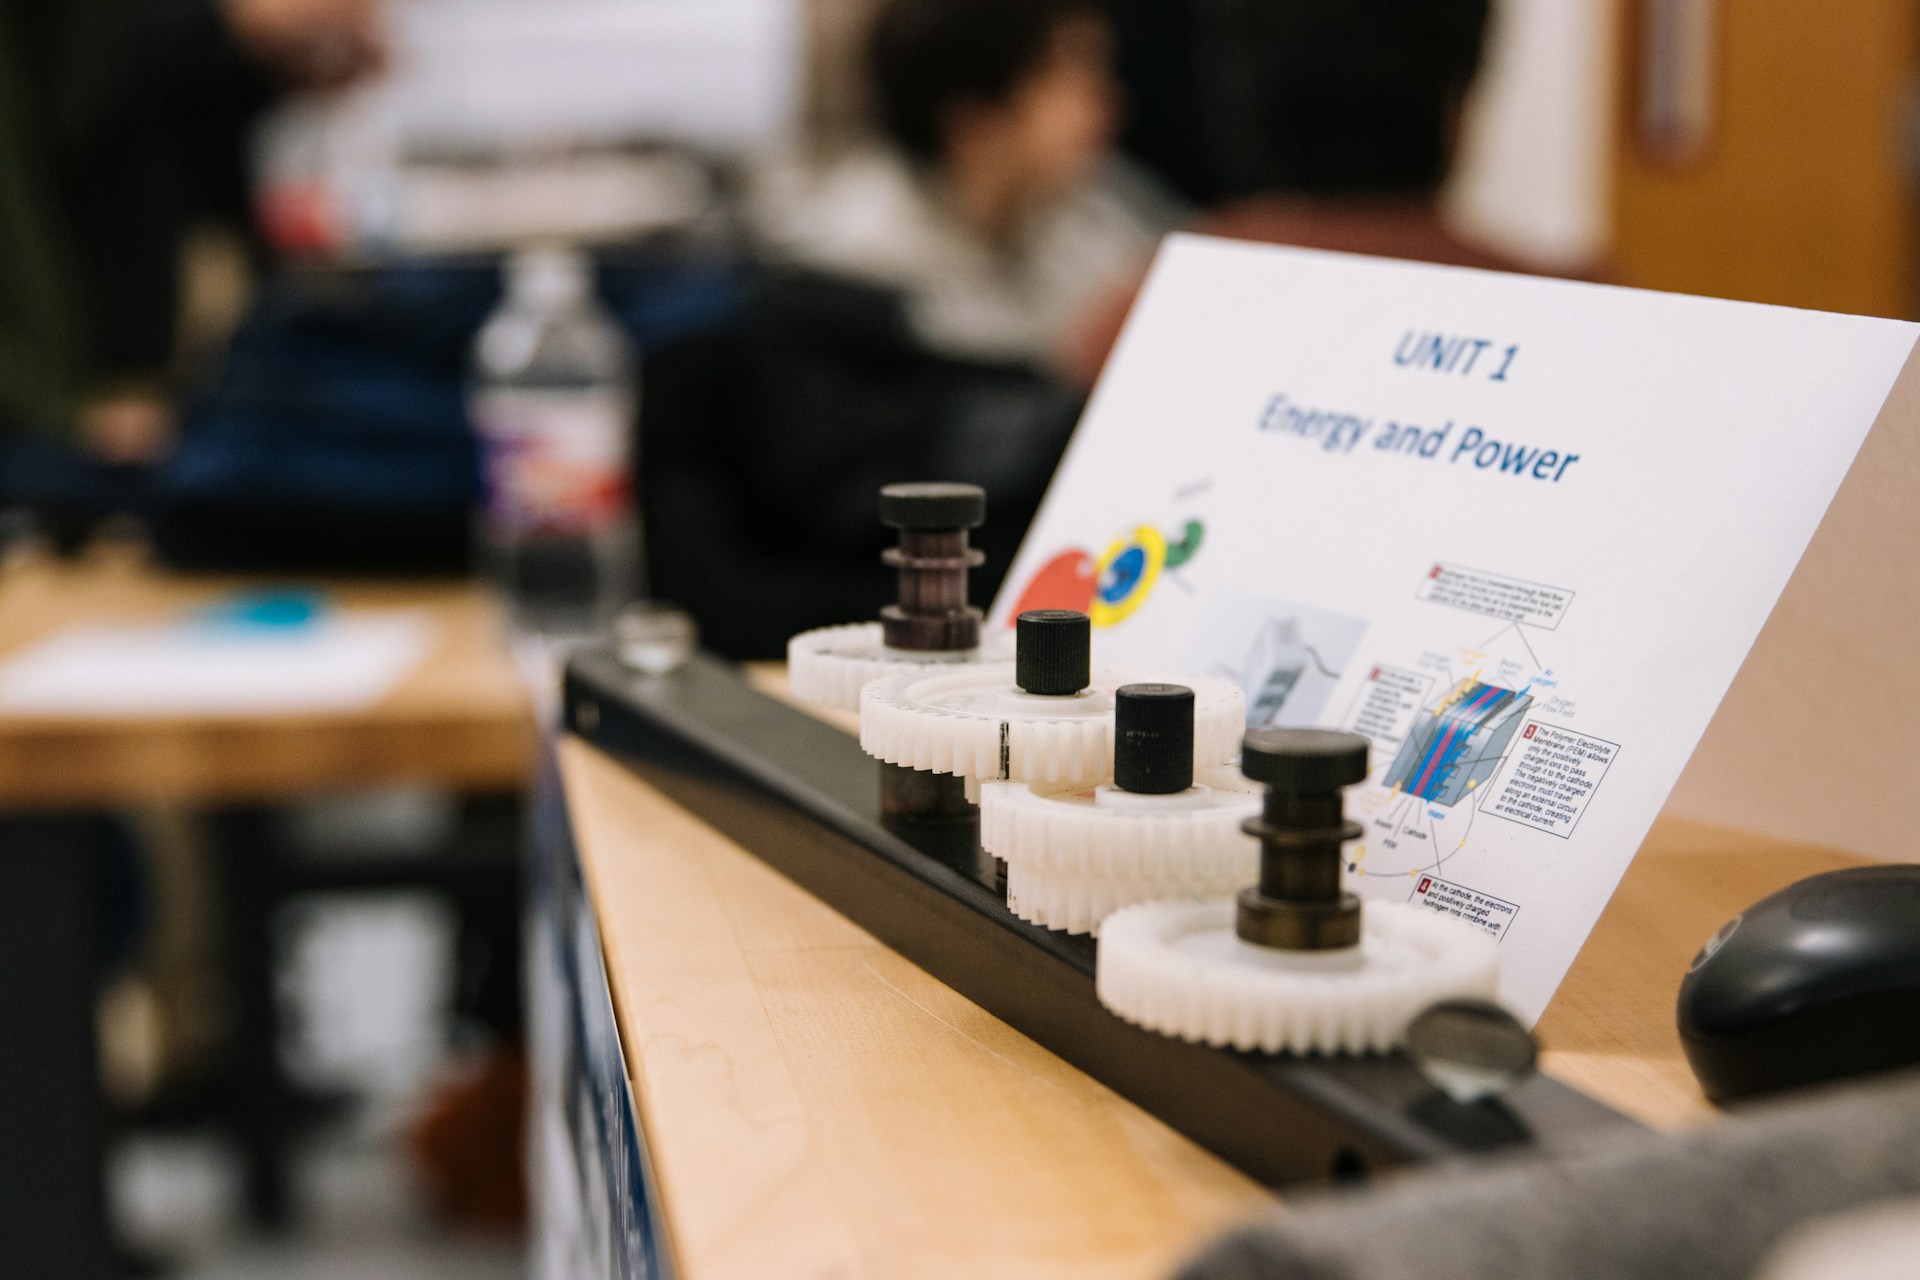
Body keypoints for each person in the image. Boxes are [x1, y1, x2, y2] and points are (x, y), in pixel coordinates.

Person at [750, 0, 1179, 378]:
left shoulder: (1098, 206)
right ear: (972, 120)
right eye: (1067, 72)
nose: (1105, 97)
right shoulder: (851, 263)